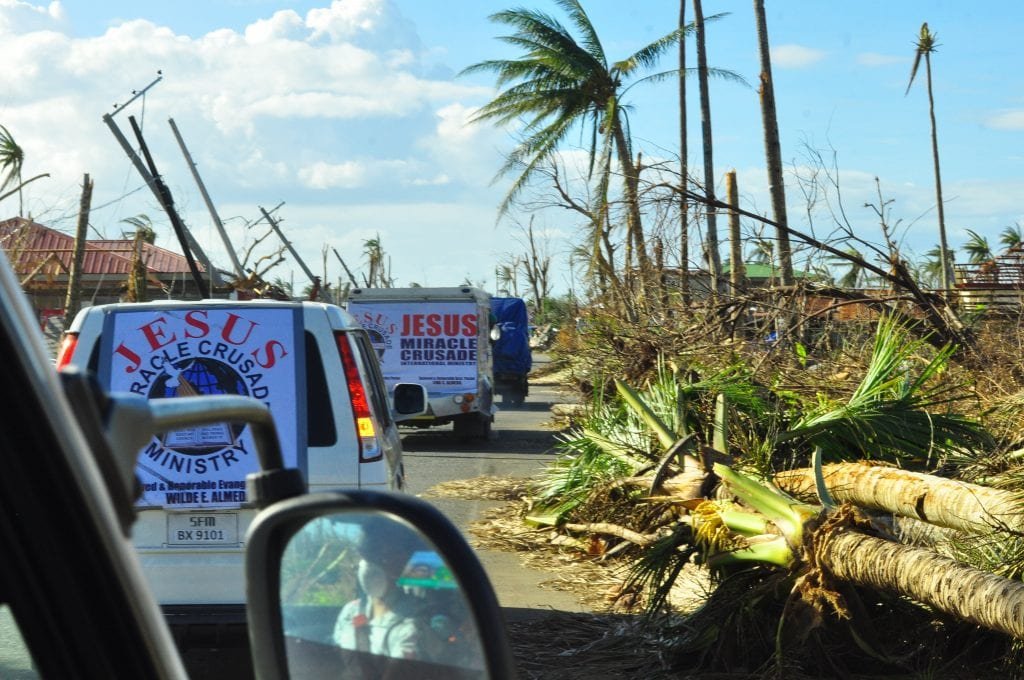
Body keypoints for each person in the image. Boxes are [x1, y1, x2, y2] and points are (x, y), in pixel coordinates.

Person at [332, 518, 426, 660]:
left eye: (383, 557)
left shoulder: (414, 621)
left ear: (402, 562)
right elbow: (335, 660)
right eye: (368, 554)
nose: (369, 564)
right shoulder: (350, 611)